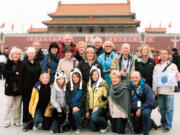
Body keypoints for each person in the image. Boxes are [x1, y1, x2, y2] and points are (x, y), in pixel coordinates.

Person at [153, 49, 180, 133]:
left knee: (169, 109)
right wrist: (154, 89)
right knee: (162, 109)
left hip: (169, 91)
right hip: (160, 91)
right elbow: (154, 78)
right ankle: (163, 123)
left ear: (168, 56)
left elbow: (177, 78)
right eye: (162, 54)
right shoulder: (157, 67)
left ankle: (168, 125)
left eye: (165, 54)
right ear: (159, 55)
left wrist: (178, 76)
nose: (164, 55)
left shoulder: (173, 66)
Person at [20, 47, 41, 128]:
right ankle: (25, 121)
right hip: (26, 88)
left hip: (35, 88)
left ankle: (32, 120)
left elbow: (39, 75)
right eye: (29, 53)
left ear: (34, 54)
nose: (31, 54)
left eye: (33, 53)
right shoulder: (24, 64)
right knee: (26, 105)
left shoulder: (37, 63)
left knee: (34, 104)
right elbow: (21, 78)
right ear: (27, 54)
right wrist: (21, 89)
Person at [3, 47, 24, 128]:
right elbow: (5, 74)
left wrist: (15, 75)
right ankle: (7, 121)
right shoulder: (7, 63)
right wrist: (15, 74)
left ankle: (17, 121)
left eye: (17, 54)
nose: (16, 55)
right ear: (11, 55)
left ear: (20, 55)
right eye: (14, 54)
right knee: (9, 105)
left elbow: (22, 75)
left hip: (19, 88)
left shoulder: (22, 63)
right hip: (10, 88)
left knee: (18, 106)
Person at [86, 65, 108, 133]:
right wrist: (87, 111)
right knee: (93, 129)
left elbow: (106, 99)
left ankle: (105, 125)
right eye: (92, 75)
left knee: (94, 117)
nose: (94, 76)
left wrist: (98, 106)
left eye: (95, 74)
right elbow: (87, 98)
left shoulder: (103, 83)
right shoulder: (88, 84)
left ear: (99, 74)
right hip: (91, 108)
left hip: (100, 107)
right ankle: (98, 124)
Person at [66, 68, 87, 134]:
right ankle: (77, 123)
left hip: (80, 106)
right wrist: (73, 107)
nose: (76, 78)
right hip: (72, 106)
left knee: (76, 113)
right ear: (71, 77)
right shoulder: (68, 85)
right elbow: (68, 98)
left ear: (80, 77)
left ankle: (79, 128)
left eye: (78, 77)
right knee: (73, 126)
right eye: (74, 77)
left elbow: (84, 97)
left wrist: (78, 106)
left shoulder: (83, 84)